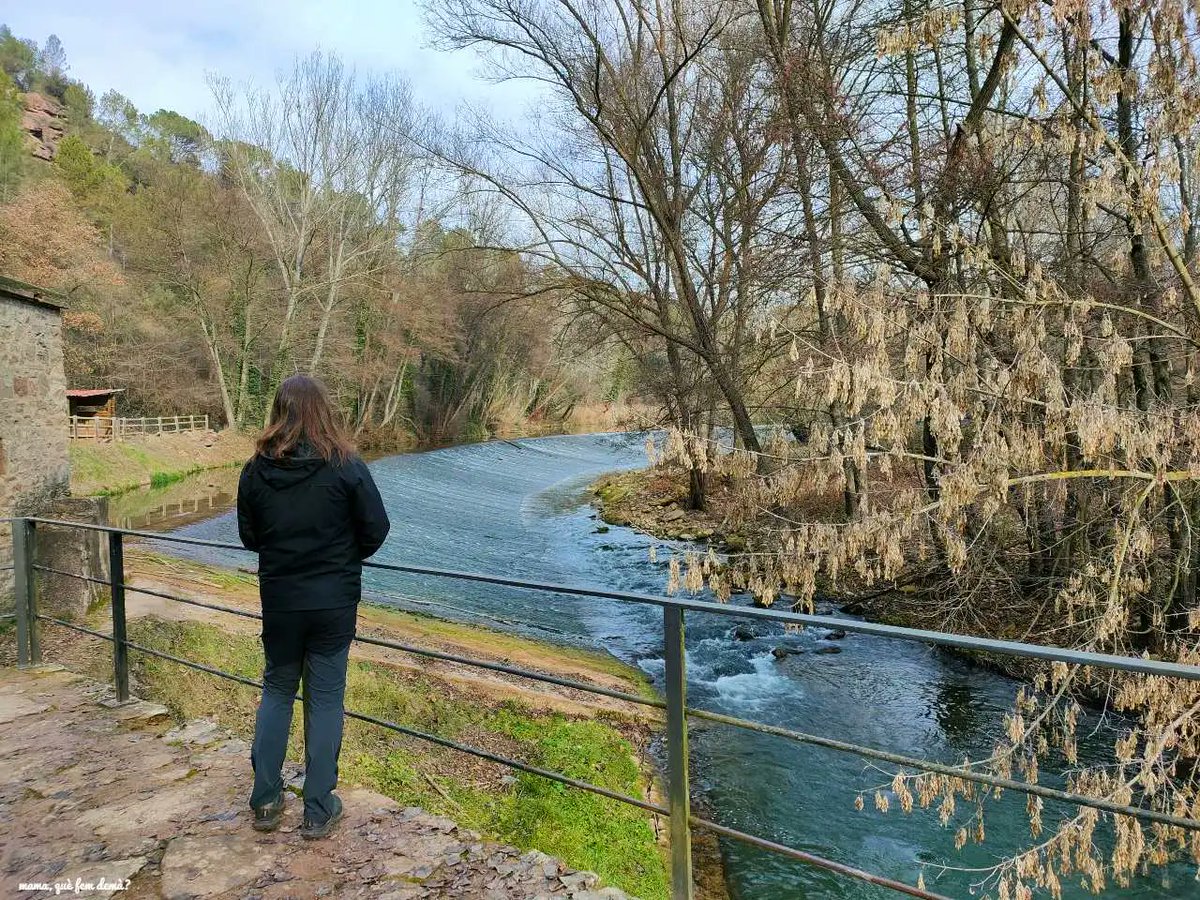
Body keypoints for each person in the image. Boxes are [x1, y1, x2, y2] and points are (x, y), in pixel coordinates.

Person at [236, 374, 390, 839]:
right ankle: (319, 808)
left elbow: (249, 536)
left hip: (281, 602)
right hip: (333, 602)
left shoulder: (255, 470)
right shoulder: (347, 466)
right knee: (325, 700)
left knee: (278, 692)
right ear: (324, 412)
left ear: (278, 413)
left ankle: (265, 801)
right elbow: (377, 528)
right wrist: (341, 559)